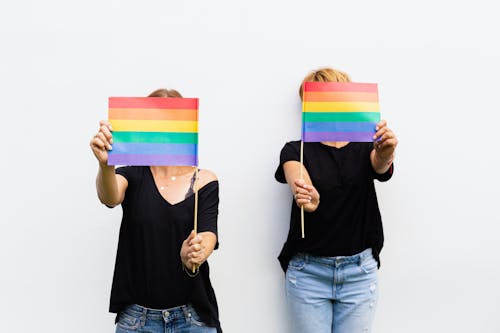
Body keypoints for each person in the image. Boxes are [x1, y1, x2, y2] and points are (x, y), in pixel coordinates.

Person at [274, 68, 398, 333]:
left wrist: (386, 152)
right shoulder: (296, 149)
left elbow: (379, 165)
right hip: (308, 273)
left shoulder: (368, 146)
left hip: (359, 273)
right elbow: (296, 174)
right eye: (319, 97)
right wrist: (307, 196)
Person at [90, 88, 221, 333]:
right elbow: (109, 197)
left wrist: (197, 251)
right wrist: (106, 164)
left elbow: (209, 233)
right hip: (137, 321)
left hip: (193, 318)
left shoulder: (203, 179)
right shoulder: (131, 175)